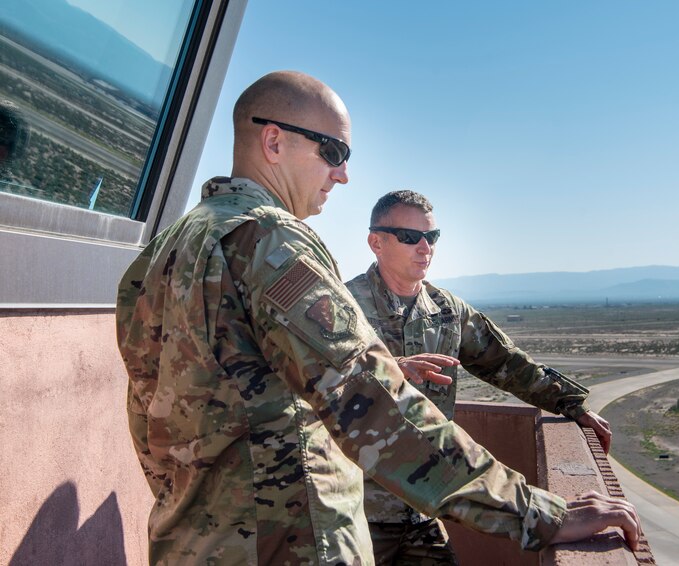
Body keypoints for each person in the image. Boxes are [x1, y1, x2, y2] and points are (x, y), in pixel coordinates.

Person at [116, 71, 640, 565]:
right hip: (286, 544)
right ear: (273, 142)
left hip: (194, 541)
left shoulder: (166, 248)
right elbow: (369, 399)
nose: (343, 175)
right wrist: (533, 511)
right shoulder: (269, 242)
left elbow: (147, 411)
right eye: (333, 152)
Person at [346, 190, 615, 564]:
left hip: (424, 505)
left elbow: (505, 362)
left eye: (432, 237)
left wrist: (570, 403)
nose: (425, 247)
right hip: (357, 513)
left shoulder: (446, 311)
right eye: (410, 237)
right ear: (376, 242)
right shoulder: (344, 309)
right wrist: (388, 371)